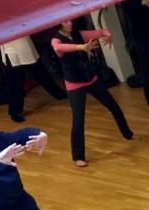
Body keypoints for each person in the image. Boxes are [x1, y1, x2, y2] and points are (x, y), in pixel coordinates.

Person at [51, 19, 134, 167]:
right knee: (78, 120)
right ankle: (78, 156)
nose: (70, 23)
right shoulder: (56, 39)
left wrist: (108, 34)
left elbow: (101, 32)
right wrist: (81, 47)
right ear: (59, 24)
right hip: (74, 85)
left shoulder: (79, 34)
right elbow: (59, 48)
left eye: (70, 20)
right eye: (66, 22)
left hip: (91, 80)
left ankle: (127, 133)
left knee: (113, 105)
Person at [0, 36, 67, 123]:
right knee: (16, 83)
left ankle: (59, 94)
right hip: (11, 50)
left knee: (42, 74)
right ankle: (15, 112)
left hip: (24, 45)